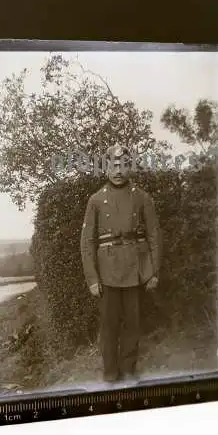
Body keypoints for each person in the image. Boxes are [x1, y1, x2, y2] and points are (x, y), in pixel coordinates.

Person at [80, 143, 161, 383]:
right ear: (105, 169)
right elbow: (87, 242)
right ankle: (110, 372)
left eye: (123, 165)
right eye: (112, 166)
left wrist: (154, 271)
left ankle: (128, 369)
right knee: (109, 324)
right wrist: (92, 279)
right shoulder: (95, 200)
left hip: (134, 268)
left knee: (133, 322)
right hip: (107, 272)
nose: (118, 171)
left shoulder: (142, 198)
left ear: (130, 167)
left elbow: (155, 234)